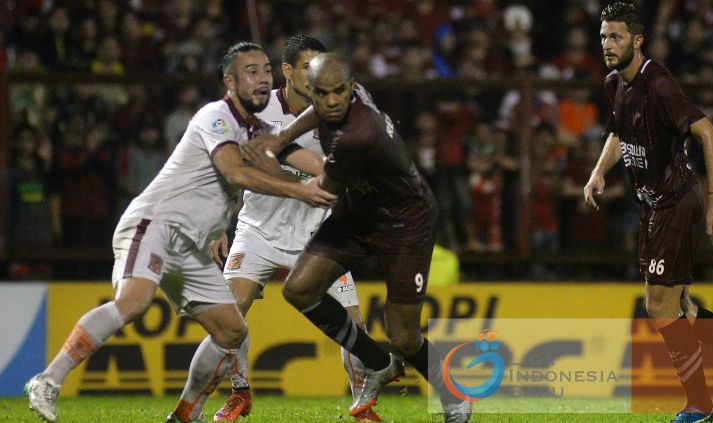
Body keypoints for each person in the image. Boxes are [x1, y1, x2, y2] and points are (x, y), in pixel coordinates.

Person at [25, 41, 336, 423]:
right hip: (154, 223)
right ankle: (48, 380)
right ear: (230, 81)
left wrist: (343, 172)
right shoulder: (215, 116)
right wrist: (299, 189)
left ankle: (185, 414)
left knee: (230, 331)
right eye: (251, 71)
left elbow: (308, 161)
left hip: (189, 246)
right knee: (134, 302)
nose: (262, 79)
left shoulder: (262, 130)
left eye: (266, 71)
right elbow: (235, 172)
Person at [247, 53, 472, 423]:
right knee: (298, 290)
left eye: (338, 92)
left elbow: (321, 191)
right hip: (362, 212)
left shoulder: (357, 136)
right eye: (323, 93)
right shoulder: (348, 97)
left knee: (403, 336)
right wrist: (283, 134)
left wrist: (274, 156)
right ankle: (378, 363)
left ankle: (454, 394)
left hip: (405, 223)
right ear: (313, 92)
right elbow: (320, 113)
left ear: (351, 89)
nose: (332, 100)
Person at [207, 35, 379, 423]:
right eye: (307, 67)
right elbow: (229, 168)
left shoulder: (337, 111)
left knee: (352, 323)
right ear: (287, 71)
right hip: (257, 229)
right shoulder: (258, 109)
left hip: (318, 233)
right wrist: (218, 221)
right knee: (230, 315)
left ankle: (363, 408)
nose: (317, 75)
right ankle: (240, 393)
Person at [584, 3, 713, 422]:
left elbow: (712, 135)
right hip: (652, 206)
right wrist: (598, 172)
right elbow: (620, 131)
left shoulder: (660, 85)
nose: (607, 45)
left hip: (675, 202)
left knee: (659, 308)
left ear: (637, 41)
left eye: (615, 37)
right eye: (603, 37)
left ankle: (701, 407)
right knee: (684, 308)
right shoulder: (615, 83)